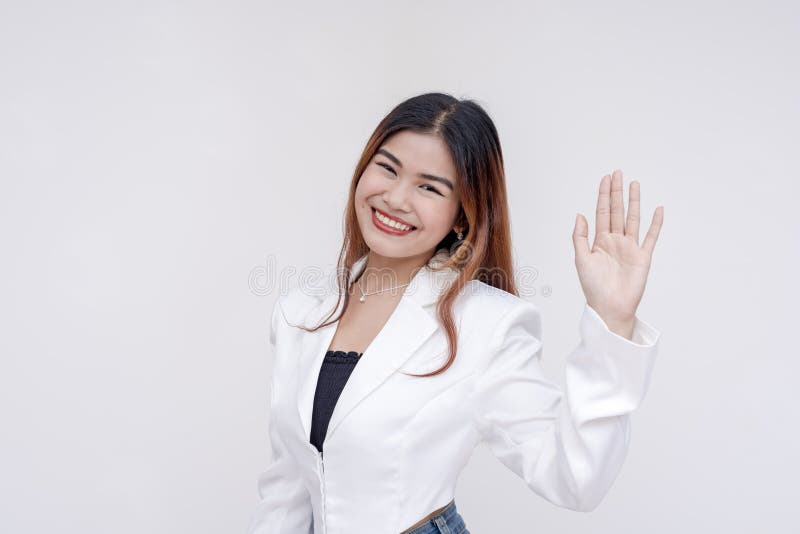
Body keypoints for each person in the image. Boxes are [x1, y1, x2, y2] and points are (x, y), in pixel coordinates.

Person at [247, 92, 664, 534]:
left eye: (429, 187)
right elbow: (288, 489)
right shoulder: (298, 314)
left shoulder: (488, 326)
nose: (395, 198)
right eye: (387, 168)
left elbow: (575, 480)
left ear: (461, 215)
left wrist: (613, 322)